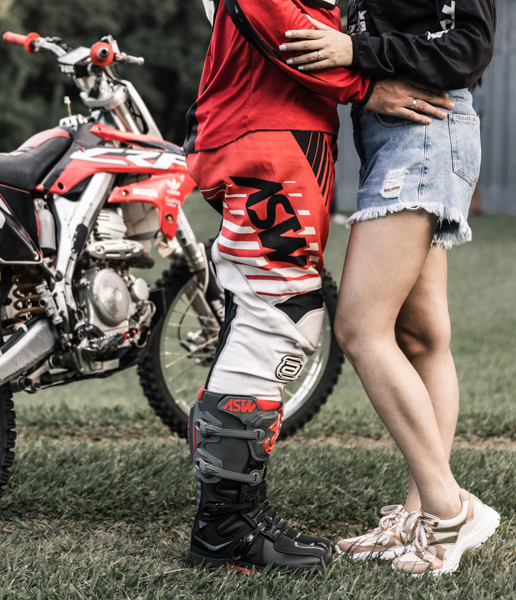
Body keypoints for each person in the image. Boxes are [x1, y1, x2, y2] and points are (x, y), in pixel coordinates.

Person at [183, 0, 453, 573]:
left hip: (277, 125)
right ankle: (226, 527)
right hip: (266, 129)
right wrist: (363, 86)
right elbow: (274, 12)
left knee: (273, 315)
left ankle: (235, 513)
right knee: (276, 318)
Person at [281, 0, 499, 575]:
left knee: (358, 326)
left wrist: (358, 53)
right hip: (390, 136)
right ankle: (420, 518)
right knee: (423, 338)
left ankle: (450, 511)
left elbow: (470, 50)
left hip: (425, 134)